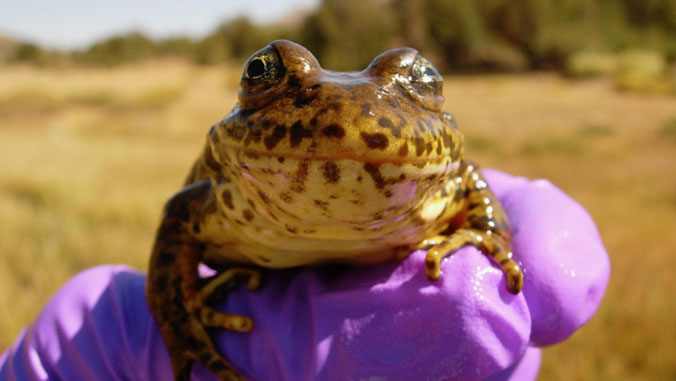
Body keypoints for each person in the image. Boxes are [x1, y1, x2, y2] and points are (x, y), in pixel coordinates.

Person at [0, 170, 610, 380]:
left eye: (418, 84)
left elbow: (469, 183)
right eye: (268, 78)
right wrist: (176, 324)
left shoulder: (445, 176)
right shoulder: (217, 197)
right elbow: (183, 212)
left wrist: (486, 229)